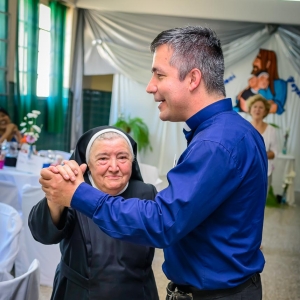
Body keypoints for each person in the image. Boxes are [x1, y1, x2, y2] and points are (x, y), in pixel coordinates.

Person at [40, 26, 267, 300]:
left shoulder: (215, 143)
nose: (151, 86)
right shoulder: (234, 130)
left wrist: (78, 194)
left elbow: (163, 223)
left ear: (193, 78)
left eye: (159, 75)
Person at [29, 126, 159, 300]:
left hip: (137, 292)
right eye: (103, 159)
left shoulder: (147, 193)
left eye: (122, 157)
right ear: (88, 163)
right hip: (79, 293)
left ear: (133, 161)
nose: (114, 167)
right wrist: (55, 197)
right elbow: (44, 234)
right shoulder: (74, 191)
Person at [248, 94, 278, 194]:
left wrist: (260, 154)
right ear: (250, 109)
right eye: (255, 106)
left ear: (265, 111)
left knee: (261, 202)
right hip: (246, 171)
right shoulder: (244, 127)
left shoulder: (271, 130)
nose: (257, 109)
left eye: (261, 107)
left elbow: (274, 152)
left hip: (265, 171)